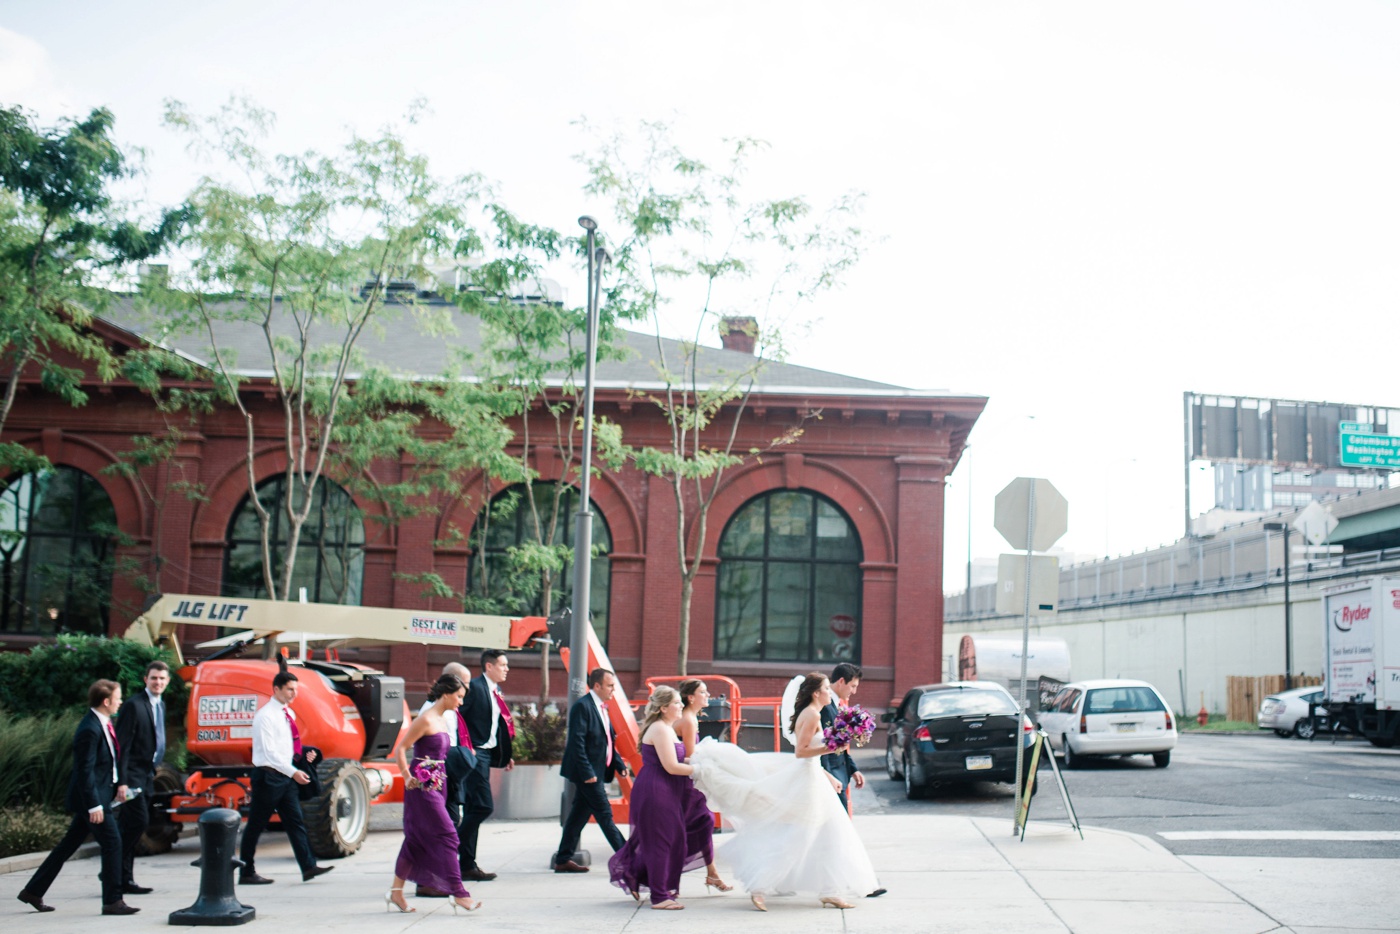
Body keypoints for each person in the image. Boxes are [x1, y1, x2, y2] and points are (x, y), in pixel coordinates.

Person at [689, 672, 879, 911]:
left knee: (828, 833)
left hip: (813, 776)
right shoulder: (810, 714)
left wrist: (828, 771)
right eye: (824, 690)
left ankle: (831, 891)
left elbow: (811, 752)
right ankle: (760, 885)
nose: (828, 694)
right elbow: (802, 752)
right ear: (816, 693)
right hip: (806, 780)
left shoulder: (813, 713)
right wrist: (832, 747)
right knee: (799, 836)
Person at [17, 679, 139, 915]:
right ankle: (113, 901)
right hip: (91, 799)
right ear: (106, 701)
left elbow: (106, 764)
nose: (120, 701)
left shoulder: (103, 722)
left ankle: (33, 891)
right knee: (113, 843)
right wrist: (94, 805)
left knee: (68, 845)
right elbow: (84, 771)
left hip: (101, 794)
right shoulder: (89, 729)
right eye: (117, 698)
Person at [385, 673, 482, 914]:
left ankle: (396, 893)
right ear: (446, 694)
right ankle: (459, 893)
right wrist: (407, 776)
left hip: (439, 783)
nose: (461, 702)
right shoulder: (426, 719)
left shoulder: (444, 718)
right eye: (458, 697)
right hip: (422, 786)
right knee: (449, 835)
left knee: (415, 840)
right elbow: (401, 749)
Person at [607, 686, 709, 910]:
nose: (681, 705)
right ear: (664, 708)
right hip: (656, 791)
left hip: (667, 790)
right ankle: (659, 896)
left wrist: (706, 763)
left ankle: (640, 877)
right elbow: (672, 767)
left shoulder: (668, 727)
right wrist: (700, 771)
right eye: (676, 703)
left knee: (675, 841)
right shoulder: (661, 729)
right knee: (661, 843)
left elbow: (679, 761)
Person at [238, 671, 333, 885]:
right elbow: (270, 753)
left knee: (295, 822)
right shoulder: (266, 716)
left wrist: (303, 754)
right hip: (268, 777)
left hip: (285, 777)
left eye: (296, 690)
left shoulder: (285, 713)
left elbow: (286, 747)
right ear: (276, 689)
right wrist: (294, 772)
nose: (294, 694)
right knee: (256, 824)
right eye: (290, 689)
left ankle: (308, 866)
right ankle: (246, 871)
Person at [552, 668, 628, 873]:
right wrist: (587, 773)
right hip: (587, 774)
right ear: (597, 686)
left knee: (578, 816)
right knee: (605, 814)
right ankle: (629, 859)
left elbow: (607, 741)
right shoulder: (582, 707)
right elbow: (577, 743)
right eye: (610, 685)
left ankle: (562, 859)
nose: (613, 689)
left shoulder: (603, 707)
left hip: (596, 771)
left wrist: (619, 764)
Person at [821, 663, 887, 898]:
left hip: (838, 774)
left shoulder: (835, 705)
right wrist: (828, 777)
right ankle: (856, 884)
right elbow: (826, 746)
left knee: (836, 833)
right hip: (830, 777)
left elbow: (838, 744)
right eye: (853, 686)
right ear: (841, 682)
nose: (854, 692)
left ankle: (854, 884)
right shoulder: (824, 706)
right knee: (840, 833)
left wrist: (853, 769)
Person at [456, 649, 514, 882]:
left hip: (487, 753)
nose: (506, 669)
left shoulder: (495, 690)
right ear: (488, 666)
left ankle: (467, 866)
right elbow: (457, 716)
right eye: (502, 665)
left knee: (473, 808)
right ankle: (451, 845)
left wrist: (504, 754)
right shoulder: (476, 688)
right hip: (475, 753)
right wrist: (465, 747)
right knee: (483, 806)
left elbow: (497, 727)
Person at [415, 661, 472, 898]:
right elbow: (415, 749)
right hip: (434, 779)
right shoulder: (429, 714)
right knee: (441, 828)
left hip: (448, 776)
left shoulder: (446, 711)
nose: (464, 695)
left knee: (448, 825)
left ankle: (437, 878)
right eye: (463, 686)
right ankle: (428, 881)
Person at [114, 660, 171, 897]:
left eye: (162, 678)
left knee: (135, 825)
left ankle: (122, 875)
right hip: (132, 776)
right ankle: (115, 870)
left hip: (147, 774)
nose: (158, 682)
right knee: (137, 822)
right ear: (145, 680)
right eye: (154, 678)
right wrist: (122, 781)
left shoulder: (160, 705)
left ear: (167, 682)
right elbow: (123, 747)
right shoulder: (133, 705)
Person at [674, 679, 728, 892]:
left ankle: (712, 873)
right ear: (690, 697)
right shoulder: (688, 720)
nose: (708, 695)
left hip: (689, 780)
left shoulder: (689, 718)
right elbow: (690, 757)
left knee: (703, 823)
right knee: (701, 823)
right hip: (686, 783)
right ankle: (708, 872)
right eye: (703, 692)